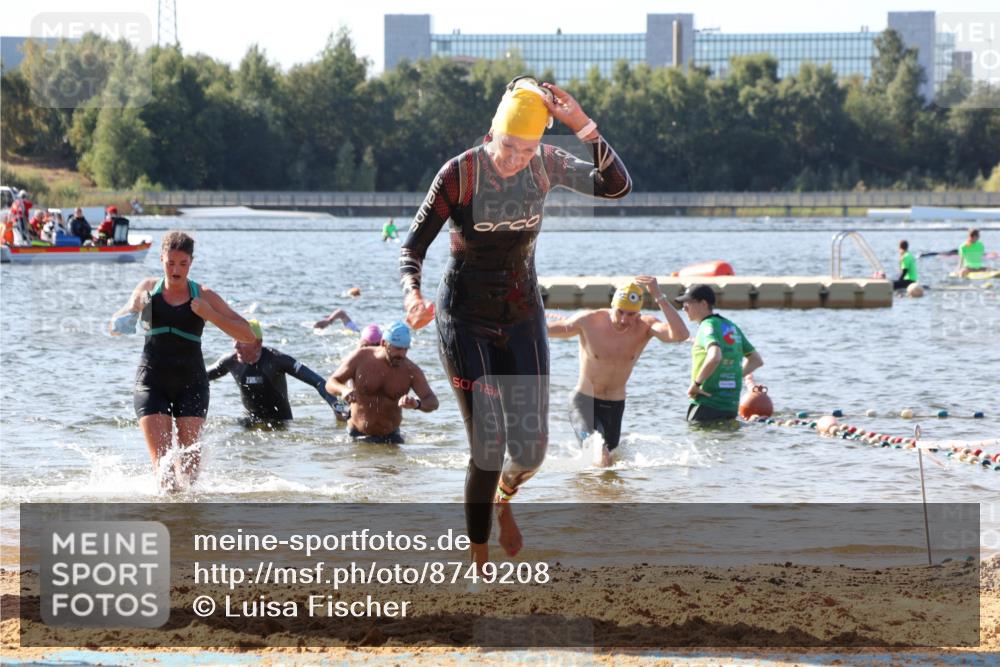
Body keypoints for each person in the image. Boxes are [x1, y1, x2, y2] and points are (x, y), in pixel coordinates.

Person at [399, 75, 631, 568]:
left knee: (531, 452)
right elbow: (412, 247)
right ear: (492, 135)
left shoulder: (545, 165)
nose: (515, 159)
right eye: (509, 147)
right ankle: (478, 562)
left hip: (523, 315)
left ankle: (503, 501)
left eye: (527, 149)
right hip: (463, 318)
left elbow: (616, 188)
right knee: (488, 443)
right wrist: (412, 295)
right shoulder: (459, 175)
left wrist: (583, 126)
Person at [109, 231, 255, 491]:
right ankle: (167, 524)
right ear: (161, 259)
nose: (176, 270)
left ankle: (186, 528)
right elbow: (114, 328)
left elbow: (247, 334)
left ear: (192, 262)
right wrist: (133, 309)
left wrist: (210, 314)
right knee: (164, 473)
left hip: (191, 384)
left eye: (183, 264)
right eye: (170, 263)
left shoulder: (204, 295)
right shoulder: (147, 288)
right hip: (151, 383)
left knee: (188, 477)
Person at [547, 277, 688, 466]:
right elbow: (546, 330)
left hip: (614, 406)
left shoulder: (645, 326)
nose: (624, 319)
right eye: (620, 312)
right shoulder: (589, 321)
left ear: (638, 313)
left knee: (610, 464)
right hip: (584, 402)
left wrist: (658, 296)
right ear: (612, 305)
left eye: (631, 314)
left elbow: (680, 335)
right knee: (599, 454)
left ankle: (596, 493)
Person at [207, 319, 342, 426]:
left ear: (257, 343)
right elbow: (199, 376)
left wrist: (336, 405)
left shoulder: (278, 360)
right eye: (234, 339)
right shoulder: (230, 361)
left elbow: (318, 382)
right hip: (249, 423)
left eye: (241, 340)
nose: (235, 346)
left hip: (280, 424)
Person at [325, 322, 438, 444]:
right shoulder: (361, 358)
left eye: (405, 349)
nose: (401, 354)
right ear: (384, 343)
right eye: (398, 348)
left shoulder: (411, 371)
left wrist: (417, 404)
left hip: (391, 437)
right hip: (357, 434)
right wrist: (343, 390)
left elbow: (432, 401)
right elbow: (331, 382)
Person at [678, 284, 764, 424]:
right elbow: (756, 360)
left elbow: (715, 356)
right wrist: (733, 376)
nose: (684, 309)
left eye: (687, 304)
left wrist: (696, 384)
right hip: (730, 405)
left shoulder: (706, 326)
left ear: (703, 303)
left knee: (697, 442)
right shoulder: (731, 326)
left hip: (707, 403)